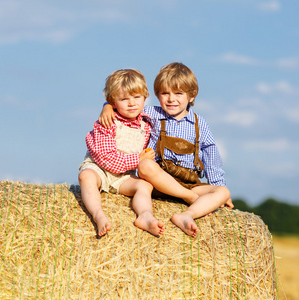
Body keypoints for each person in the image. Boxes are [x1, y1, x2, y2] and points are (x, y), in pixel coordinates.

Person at [99, 62, 233, 237]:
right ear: (157, 95)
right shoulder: (152, 113)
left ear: (192, 96)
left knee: (223, 192)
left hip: (189, 182)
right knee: (145, 165)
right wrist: (107, 107)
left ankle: (186, 215)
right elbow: (125, 107)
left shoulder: (200, 124)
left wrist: (218, 186)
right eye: (165, 93)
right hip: (159, 181)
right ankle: (189, 198)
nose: (171, 99)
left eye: (178, 93)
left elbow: (211, 157)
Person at [78, 69, 165, 237]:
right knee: (86, 177)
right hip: (100, 170)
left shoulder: (146, 125)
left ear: (145, 97)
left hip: (124, 176)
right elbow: (106, 160)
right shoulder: (107, 121)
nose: (132, 103)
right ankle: (98, 215)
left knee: (144, 185)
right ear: (113, 102)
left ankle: (145, 215)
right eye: (124, 99)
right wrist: (139, 159)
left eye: (137, 97)